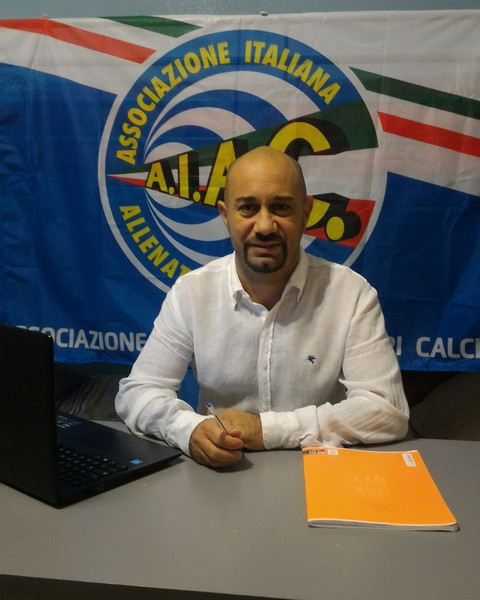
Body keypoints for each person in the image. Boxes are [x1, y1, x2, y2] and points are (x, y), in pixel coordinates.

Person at [115, 146, 409, 468]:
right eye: (248, 208)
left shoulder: (351, 294)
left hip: (321, 472)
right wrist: (188, 429)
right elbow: (138, 393)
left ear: (306, 213)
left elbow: (387, 411)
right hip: (222, 475)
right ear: (225, 215)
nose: (265, 226)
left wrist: (266, 431)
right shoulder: (191, 293)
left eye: (281, 207)